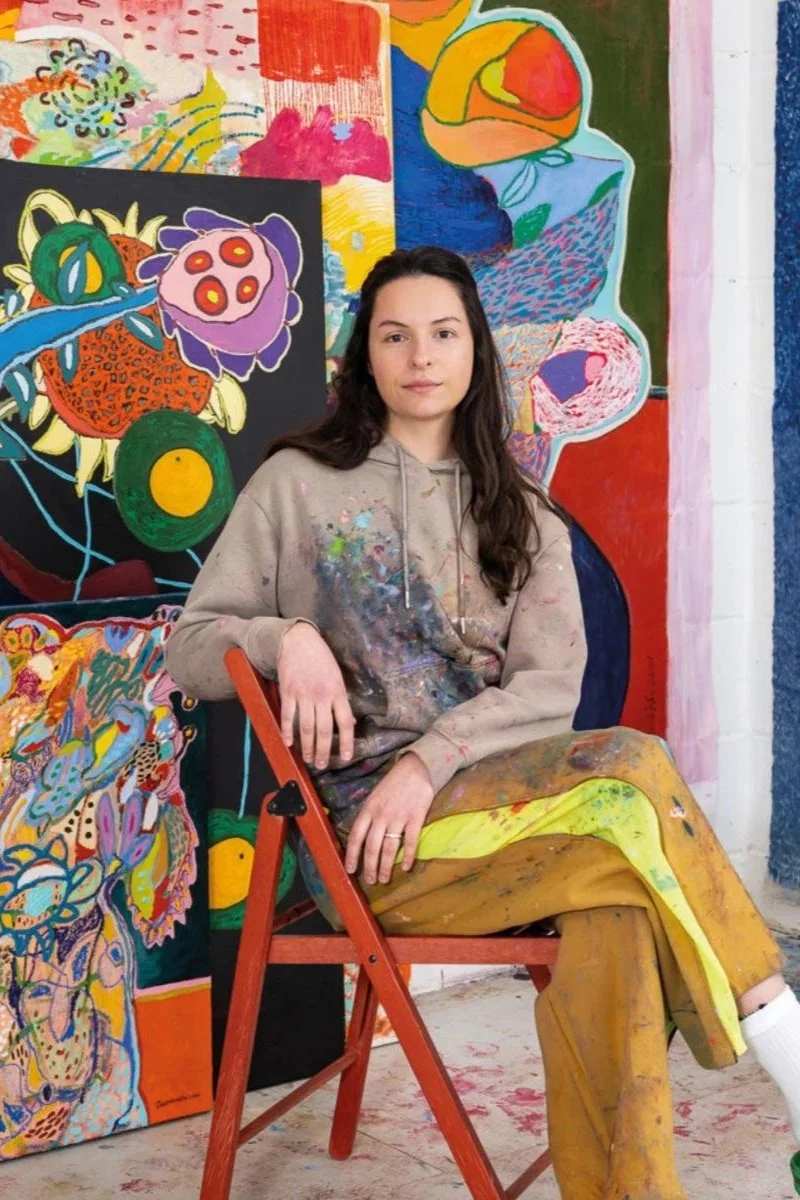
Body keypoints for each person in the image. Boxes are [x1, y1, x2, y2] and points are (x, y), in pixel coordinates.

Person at [165, 245, 800, 1199]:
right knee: (632, 771)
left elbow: (552, 688)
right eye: (395, 336)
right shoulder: (296, 485)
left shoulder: (521, 509)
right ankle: (787, 1044)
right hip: (373, 844)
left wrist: (429, 760)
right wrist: (282, 636)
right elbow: (188, 649)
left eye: (443, 333)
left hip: (498, 815)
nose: (421, 356)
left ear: (476, 351)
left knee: (620, 909)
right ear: (366, 355)